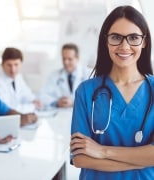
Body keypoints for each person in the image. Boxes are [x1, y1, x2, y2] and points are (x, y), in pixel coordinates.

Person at [70, 5, 154, 179]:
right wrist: (142, 157)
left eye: (133, 37)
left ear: (144, 41)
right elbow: (80, 158)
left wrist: (102, 151)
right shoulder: (85, 92)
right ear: (106, 41)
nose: (124, 46)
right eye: (116, 37)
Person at [0, 47, 42, 114]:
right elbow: (8, 109)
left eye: (16, 65)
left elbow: (27, 95)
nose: (13, 69)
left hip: (18, 117)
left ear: (21, 64)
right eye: (9, 65)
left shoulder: (18, 77)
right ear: (2, 64)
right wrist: (32, 106)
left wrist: (34, 101)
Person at [39, 43, 90, 108]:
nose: (66, 62)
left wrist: (74, 102)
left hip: (82, 114)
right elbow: (42, 95)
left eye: (69, 59)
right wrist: (56, 102)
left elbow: (95, 97)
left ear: (77, 58)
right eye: (64, 58)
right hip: (60, 113)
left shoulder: (88, 74)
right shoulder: (54, 75)